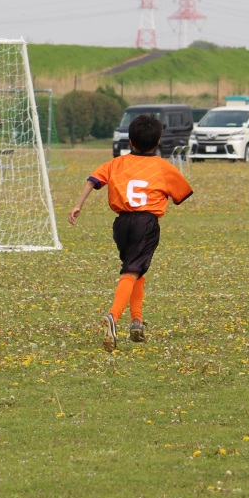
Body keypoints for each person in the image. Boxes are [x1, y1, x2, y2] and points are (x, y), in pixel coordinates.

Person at [67, 114, 192, 352]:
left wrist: (78, 205)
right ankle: (113, 316)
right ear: (157, 142)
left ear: (131, 141)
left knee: (136, 270)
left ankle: (136, 321)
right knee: (132, 270)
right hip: (146, 223)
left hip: (122, 224)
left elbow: (92, 180)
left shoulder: (116, 163)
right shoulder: (163, 167)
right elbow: (181, 194)